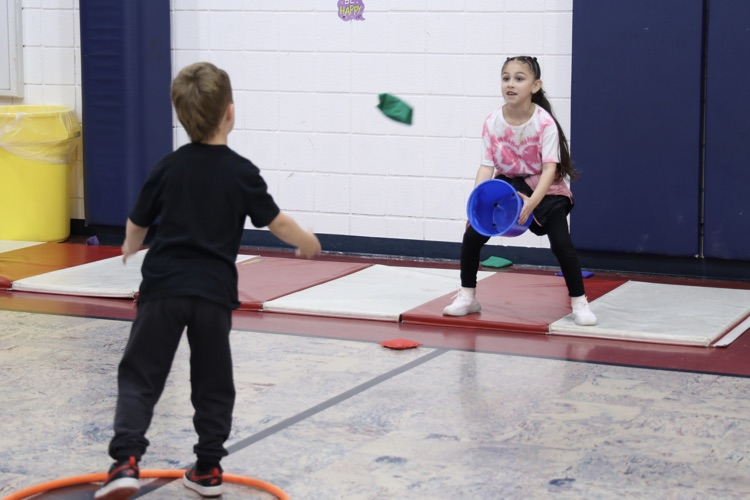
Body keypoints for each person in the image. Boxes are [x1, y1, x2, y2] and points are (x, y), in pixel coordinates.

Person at [95, 62, 322, 500]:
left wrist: (127, 246)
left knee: (141, 374)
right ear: (230, 113)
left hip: (163, 288)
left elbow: (137, 222)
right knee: (213, 380)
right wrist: (307, 241)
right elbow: (276, 223)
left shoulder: (168, 167)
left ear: (180, 116)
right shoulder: (241, 172)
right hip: (213, 296)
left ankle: (125, 461)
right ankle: (208, 468)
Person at [443, 56, 597, 326]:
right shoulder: (492, 121)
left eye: (519, 78)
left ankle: (579, 303)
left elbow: (550, 170)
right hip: (509, 185)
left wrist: (532, 203)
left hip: (547, 190)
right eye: (506, 78)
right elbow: (486, 166)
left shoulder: (544, 123)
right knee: (471, 237)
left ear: (535, 86)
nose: (510, 84)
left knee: (561, 244)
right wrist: (476, 204)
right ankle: (467, 296)